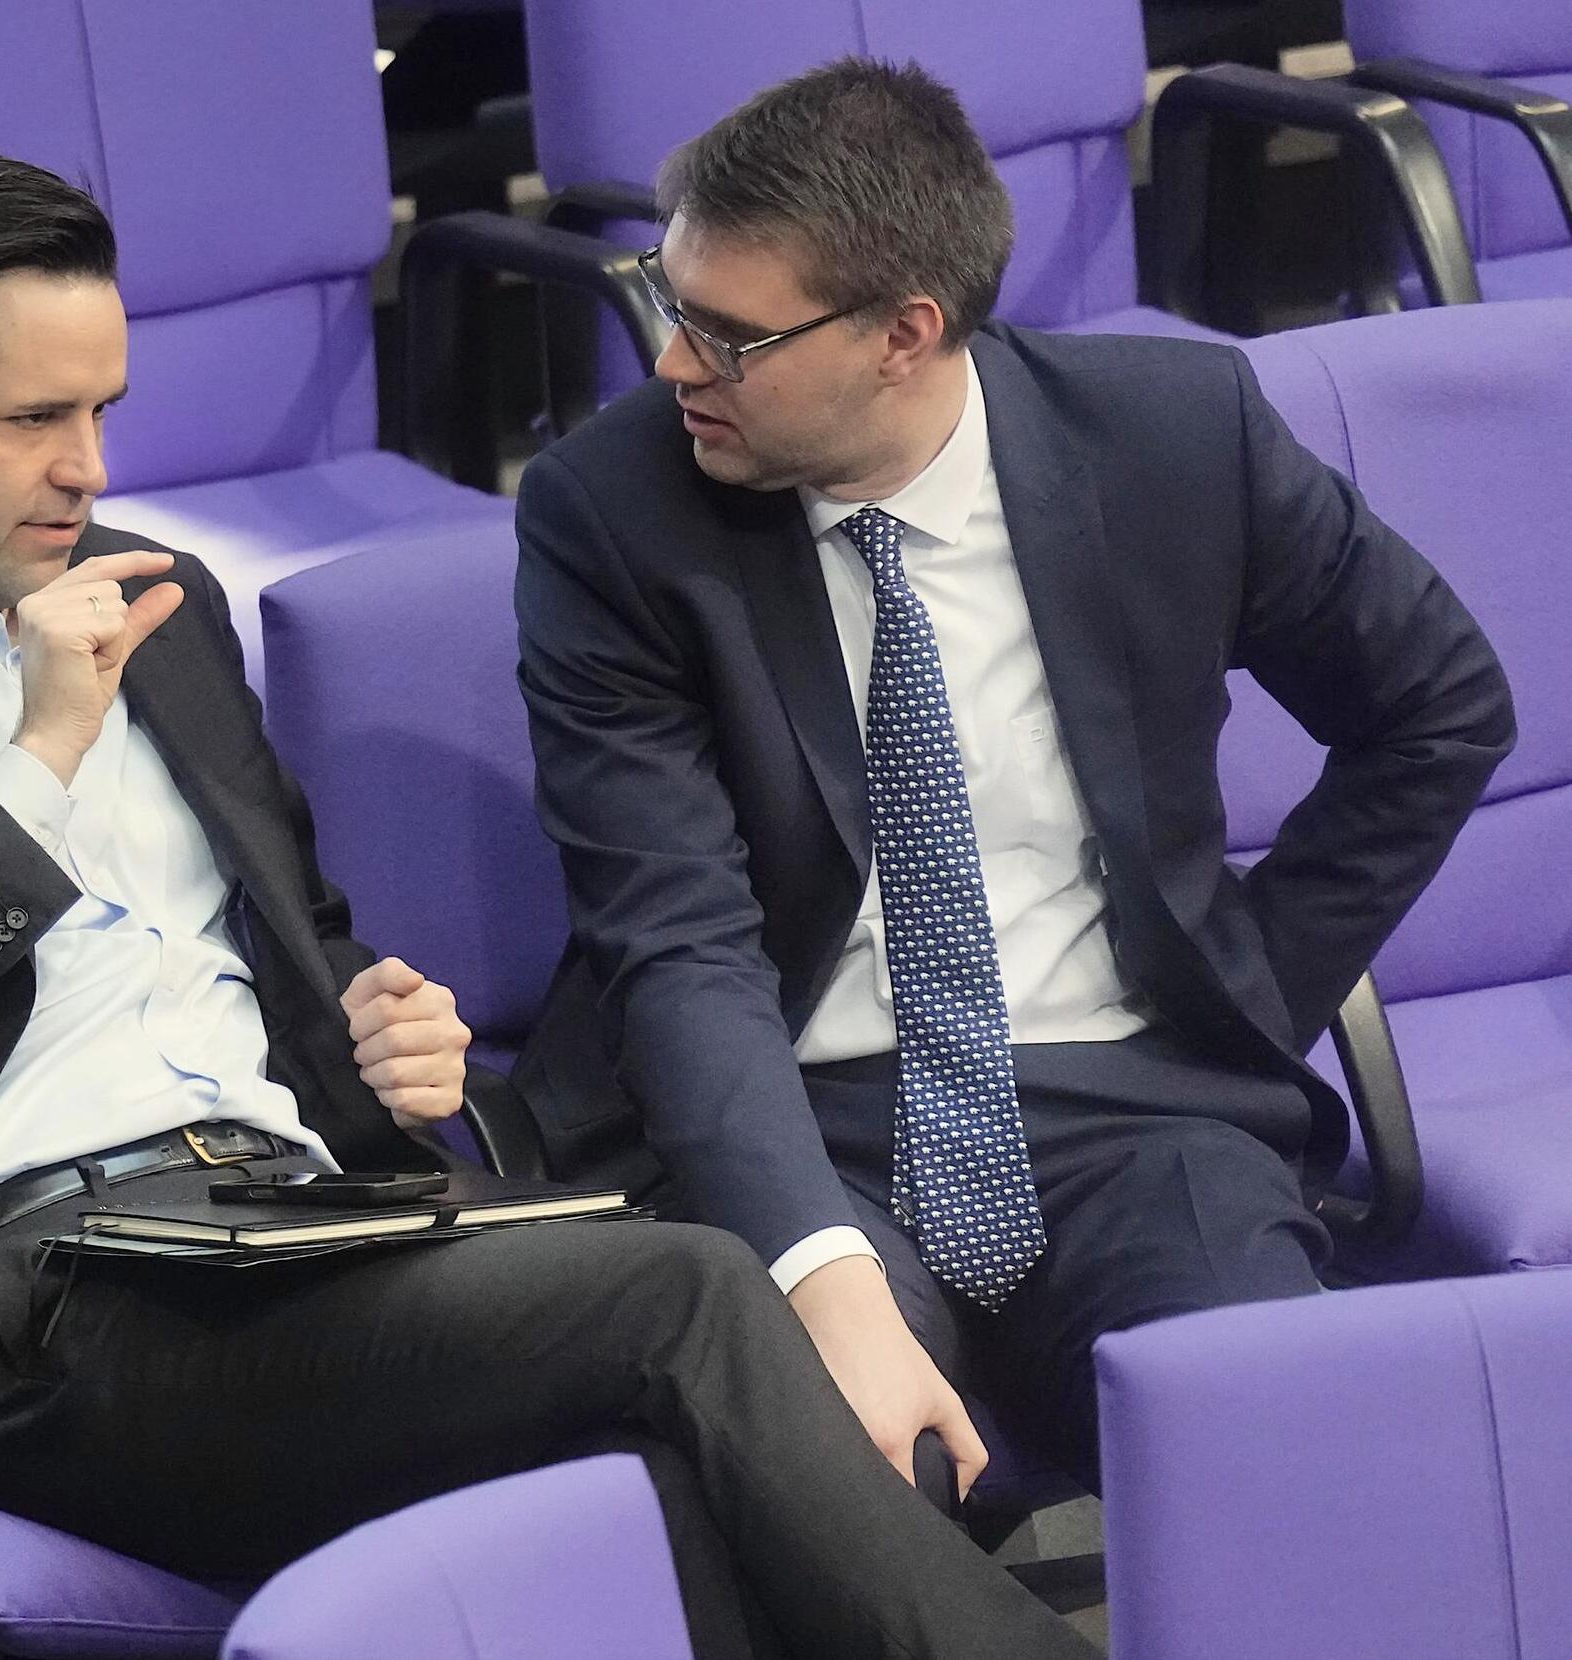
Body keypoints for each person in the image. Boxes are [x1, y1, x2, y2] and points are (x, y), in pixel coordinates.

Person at [0, 145, 1097, 1660]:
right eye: (34, 420)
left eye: (102, 411)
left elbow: (300, 945)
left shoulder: (159, 598)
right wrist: (40, 758)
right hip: (23, 1305)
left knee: (670, 1471)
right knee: (690, 1297)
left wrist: (384, 1035)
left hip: (291, 1226)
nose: (89, 469)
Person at [514, 59, 1513, 1495]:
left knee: (1284, 1449)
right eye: (675, 305)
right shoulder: (611, 516)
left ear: (904, 334)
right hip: (800, 1115)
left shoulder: (1177, 438)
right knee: (840, 1483)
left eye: (728, 336)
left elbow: (1439, 707)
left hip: (1139, 1111)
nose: (672, 364)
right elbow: (674, 941)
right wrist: (821, 1273)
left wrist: (1250, 988)